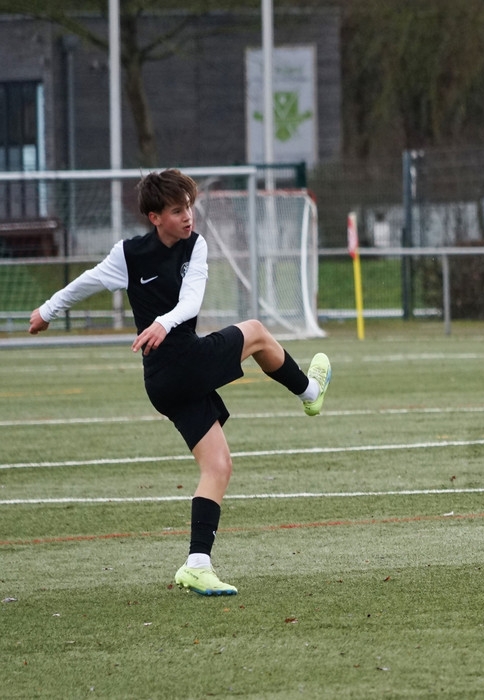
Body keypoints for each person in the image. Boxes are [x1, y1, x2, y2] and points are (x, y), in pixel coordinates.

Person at [28, 169, 332, 595]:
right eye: (176, 210)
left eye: (188, 206)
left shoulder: (196, 246)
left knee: (218, 466)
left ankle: (197, 564)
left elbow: (191, 300)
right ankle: (310, 392)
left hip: (179, 372)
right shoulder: (129, 254)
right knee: (258, 332)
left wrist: (163, 322)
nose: (187, 216)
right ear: (155, 217)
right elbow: (89, 281)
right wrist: (47, 310)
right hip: (170, 374)